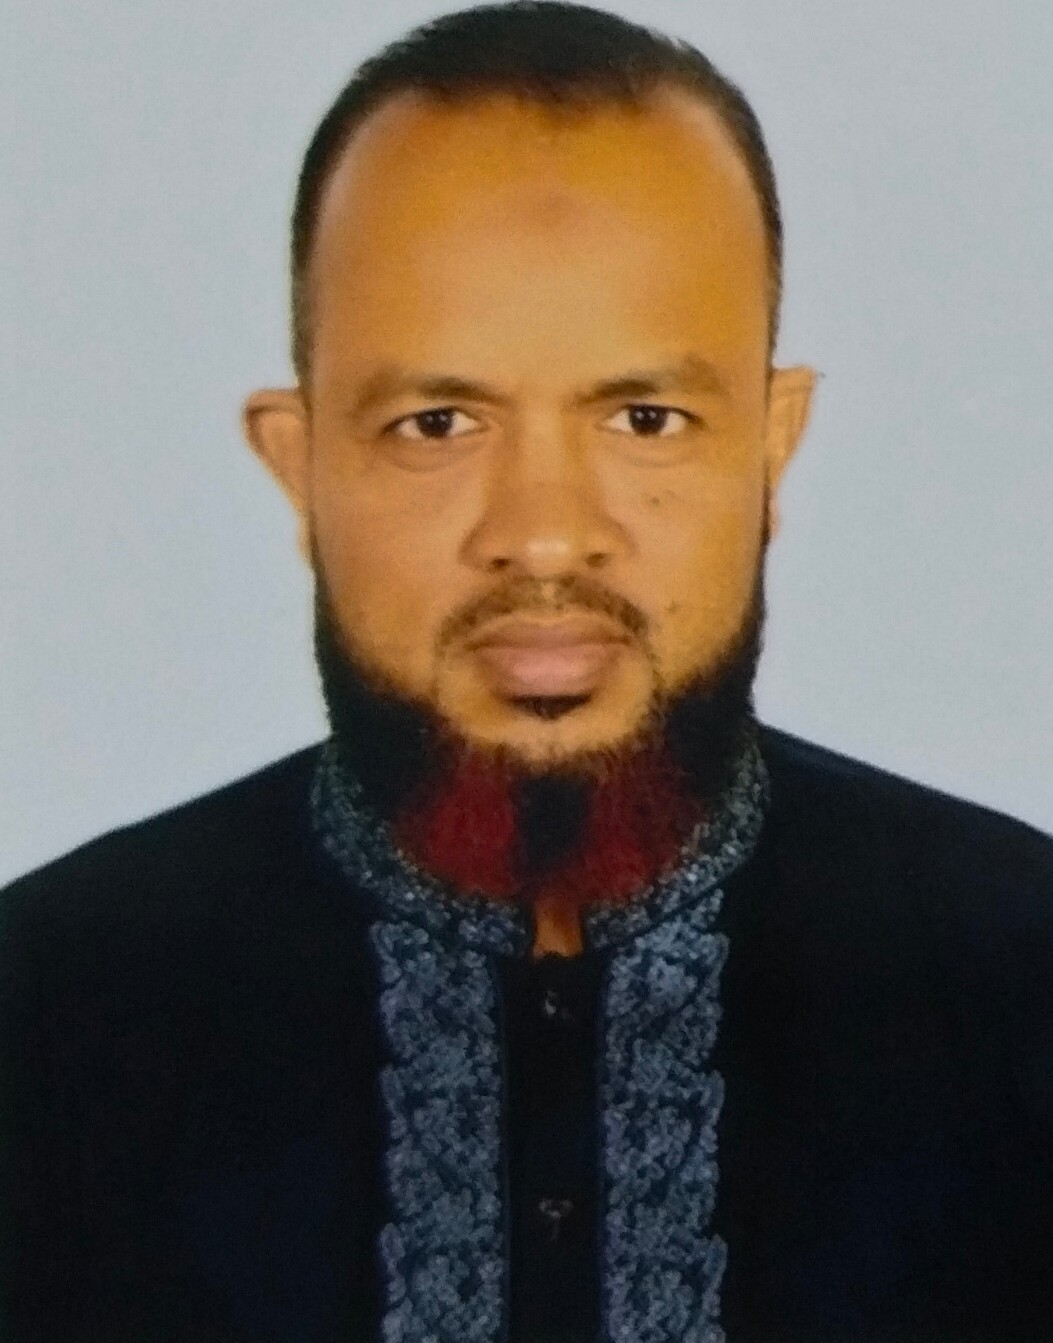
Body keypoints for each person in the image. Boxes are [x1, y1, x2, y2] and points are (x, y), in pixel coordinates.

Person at [2, 3, 1051, 1340]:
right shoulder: (45, 1011)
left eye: (645, 418)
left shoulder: (1021, 981)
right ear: (300, 463)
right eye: (435, 422)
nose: (545, 535)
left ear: (770, 448)